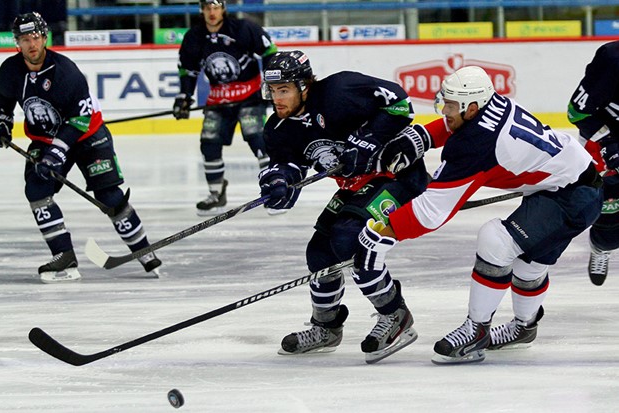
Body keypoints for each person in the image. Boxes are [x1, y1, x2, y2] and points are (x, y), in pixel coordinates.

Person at [357, 65, 603, 364]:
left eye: (450, 105)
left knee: (496, 241)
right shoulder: (489, 104)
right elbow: (460, 125)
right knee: (528, 266)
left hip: (570, 196)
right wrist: (422, 136)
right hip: (568, 181)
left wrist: (385, 232)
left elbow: (432, 211)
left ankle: (476, 331)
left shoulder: (475, 144)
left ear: (471, 107)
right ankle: (524, 328)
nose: (444, 110)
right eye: (444, 102)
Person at [258, 50, 451, 363]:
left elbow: (400, 103)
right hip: (357, 187)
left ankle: (395, 316)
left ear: (304, 86)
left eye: (284, 90)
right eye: (273, 91)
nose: (276, 98)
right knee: (319, 253)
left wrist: (367, 142)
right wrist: (279, 182)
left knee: (350, 241)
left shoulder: (339, 91)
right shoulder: (279, 128)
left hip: (397, 176)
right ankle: (326, 328)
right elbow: (287, 165)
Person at [0, 12, 162, 283]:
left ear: (45, 37)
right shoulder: (9, 70)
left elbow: (79, 120)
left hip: (88, 135)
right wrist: (2, 125)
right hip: (44, 138)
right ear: (17, 42)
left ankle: (143, 250)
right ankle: (64, 255)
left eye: (36, 37)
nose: (32, 45)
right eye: (25, 39)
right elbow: (3, 102)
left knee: (109, 195)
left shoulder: (66, 71)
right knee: (37, 189)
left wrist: (57, 153)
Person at [173, 0, 278, 215]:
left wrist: (270, 85)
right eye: (207, 8)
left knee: (258, 139)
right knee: (209, 143)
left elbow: (269, 51)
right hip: (218, 99)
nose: (212, 12)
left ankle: (274, 190)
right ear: (201, 10)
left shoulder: (243, 28)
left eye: (216, 7)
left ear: (223, 9)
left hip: (249, 96)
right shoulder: (193, 37)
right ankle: (216, 193)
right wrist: (184, 96)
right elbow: (188, 69)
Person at [567, 40, 619, 286]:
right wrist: (609, 143)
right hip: (605, 143)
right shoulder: (612, 59)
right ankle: (601, 247)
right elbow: (577, 112)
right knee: (608, 228)